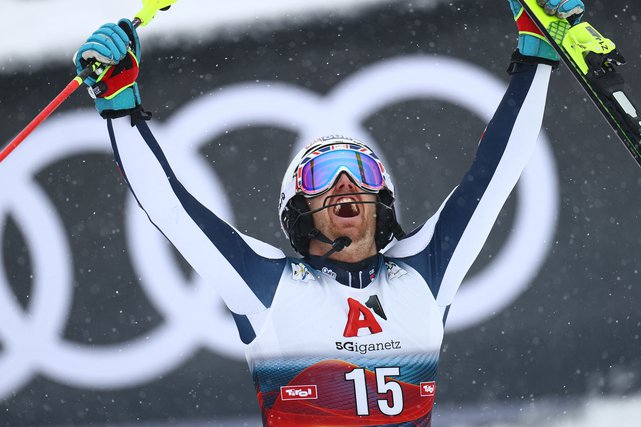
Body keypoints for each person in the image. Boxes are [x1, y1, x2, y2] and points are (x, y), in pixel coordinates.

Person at [74, 0, 584, 425]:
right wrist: (120, 106)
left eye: (362, 170)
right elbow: (172, 208)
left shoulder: (424, 275)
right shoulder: (269, 288)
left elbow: (496, 174)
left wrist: (536, 55)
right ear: (298, 211)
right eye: (322, 176)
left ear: (383, 203)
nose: (346, 182)